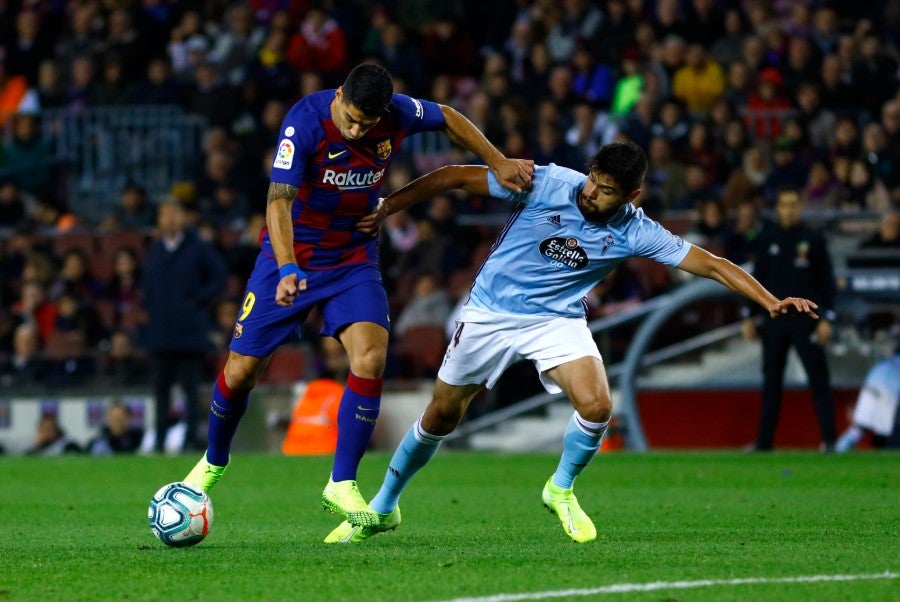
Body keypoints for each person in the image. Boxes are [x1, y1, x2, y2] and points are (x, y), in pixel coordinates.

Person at [324, 141, 820, 544]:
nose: (591, 195)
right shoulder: (544, 182)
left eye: (606, 192)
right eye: (592, 182)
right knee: (441, 417)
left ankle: (560, 488)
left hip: (555, 320)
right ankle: (384, 506)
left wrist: (769, 300)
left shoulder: (636, 231)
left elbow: (711, 263)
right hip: (491, 313)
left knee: (598, 404)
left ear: (633, 195)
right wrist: (388, 206)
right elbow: (454, 174)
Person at [179, 64, 533, 528]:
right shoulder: (303, 122)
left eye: (366, 124)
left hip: (352, 258)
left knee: (370, 357)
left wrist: (498, 160)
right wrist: (286, 267)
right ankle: (213, 461)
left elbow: (447, 116)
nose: (356, 129)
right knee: (241, 371)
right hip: (293, 256)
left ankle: (341, 483)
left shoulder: (397, 114)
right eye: (351, 118)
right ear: (340, 94)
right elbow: (278, 201)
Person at [742, 187, 838, 452]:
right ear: (779, 208)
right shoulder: (768, 239)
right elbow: (755, 281)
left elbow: (826, 283)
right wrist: (749, 316)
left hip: (807, 320)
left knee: (818, 379)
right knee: (771, 381)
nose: (789, 209)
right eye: (785, 204)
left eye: (794, 204)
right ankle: (764, 443)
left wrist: (826, 319)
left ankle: (830, 441)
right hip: (774, 322)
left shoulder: (813, 240)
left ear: (801, 207)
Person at [143, 200, 227, 453]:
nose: (168, 219)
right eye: (164, 214)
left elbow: (220, 276)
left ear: (182, 218)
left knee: (190, 390)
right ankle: (159, 441)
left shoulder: (197, 247)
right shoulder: (155, 249)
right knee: (160, 391)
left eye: (173, 214)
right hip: (161, 333)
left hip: (190, 333)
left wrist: (198, 300)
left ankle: (191, 440)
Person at [835, 348, 900, 452]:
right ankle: (886, 452)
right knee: (886, 432)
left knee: (860, 427)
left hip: (870, 387)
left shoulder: (885, 362)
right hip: (888, 392)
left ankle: (838, 450)